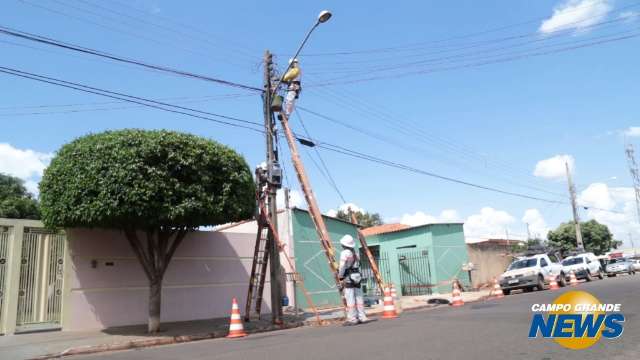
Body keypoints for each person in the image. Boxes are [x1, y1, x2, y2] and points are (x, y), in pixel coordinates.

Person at [338, 234, 369, 326]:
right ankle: (362, 317)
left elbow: (342, 266)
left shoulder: (345, 253)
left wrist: (340, 276)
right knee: (359, 297)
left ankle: (352, 319)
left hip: (349, 277)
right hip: (357, 276)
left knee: (350, 297)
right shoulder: (355, 253)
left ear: (344, 244)